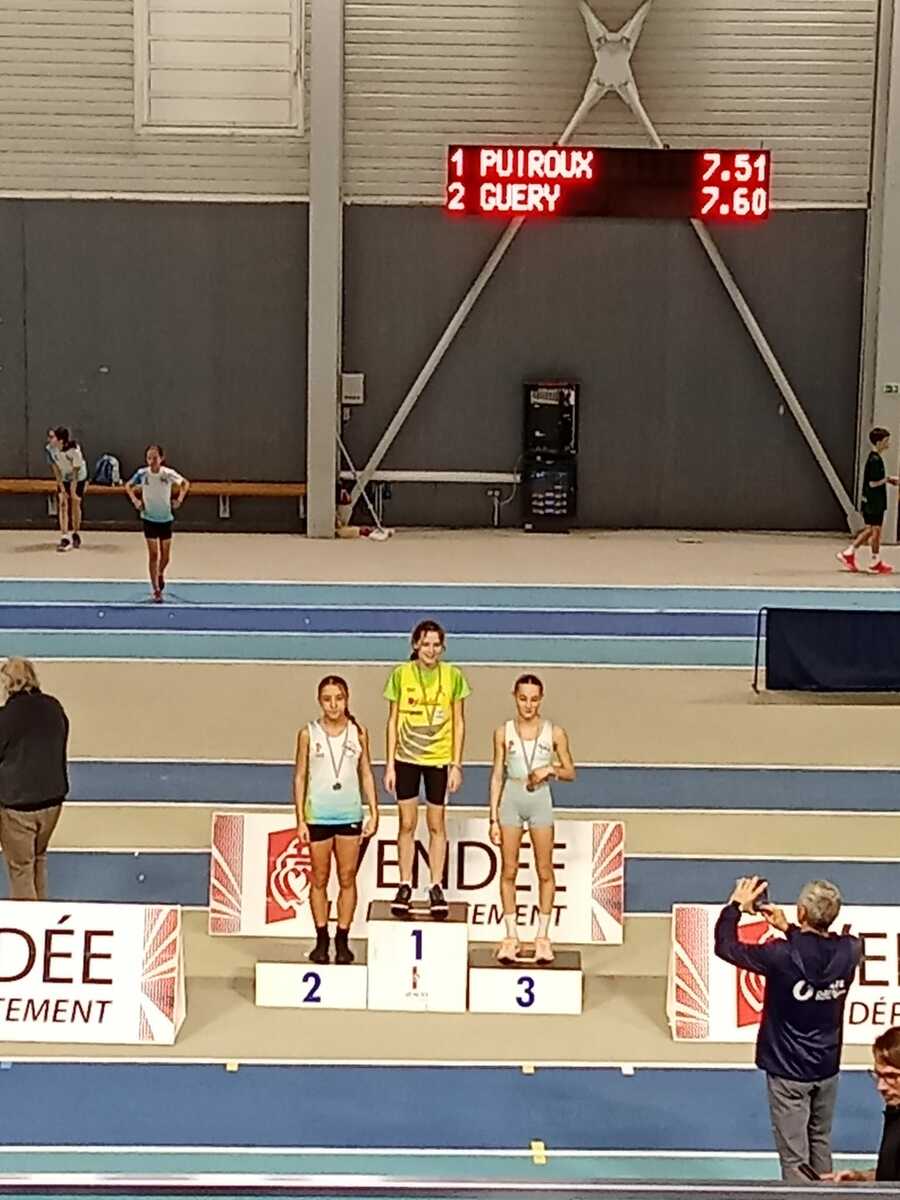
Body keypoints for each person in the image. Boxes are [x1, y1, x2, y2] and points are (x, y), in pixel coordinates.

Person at [714, 877, 862, 1182]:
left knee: (795, 1159)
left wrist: (734, 907)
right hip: (827, 1068)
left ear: (801, 912)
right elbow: (819, 953)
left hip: (788, 1070)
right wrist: (790, 929)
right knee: (820, 1142)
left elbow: (725, 947)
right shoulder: (851, 949)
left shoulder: (780, 955)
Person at [384, 620, 470, 918]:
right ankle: (404, 884)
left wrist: (456, 764)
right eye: (425, 644)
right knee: (407, 824)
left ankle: (435, 886)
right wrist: (390, 764)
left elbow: (459, 723)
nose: (431, 650)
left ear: (442, 647)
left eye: (436, 645)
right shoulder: (401, 674)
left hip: (438, 761)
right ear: (415, 646)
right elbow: (392, 721)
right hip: (406, 759)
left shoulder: (453, 676)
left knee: (436, 824)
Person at [488, 674, 575, 964]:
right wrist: (493, 818)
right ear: (515, 697)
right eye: (523, 698)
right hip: (512, 799)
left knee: (544, 869)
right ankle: (511, 936)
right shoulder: (503, 732)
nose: (528, 705)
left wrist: (550, 770)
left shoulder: (554, 733)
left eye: (534, 699)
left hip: (540, 800)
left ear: (541, 699)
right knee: (508, 869)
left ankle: (542, 937)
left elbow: (570, 771)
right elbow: (497, 775)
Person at [293, 676, 378, 964]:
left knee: (347, 877)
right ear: (320, 701)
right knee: (319, 877)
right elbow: (300, 777)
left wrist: (374, 810)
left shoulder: (358, 733)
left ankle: (342, 939)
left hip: (349, 815)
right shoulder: (308, 734)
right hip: (318, 815)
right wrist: (301, 819)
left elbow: (366, 773)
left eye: (339, 698)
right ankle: (321, 938)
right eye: (327, 699)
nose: (333, 705)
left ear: (347, 699)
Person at [0, 658, 69, 900]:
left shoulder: (6, 718)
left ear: (9, 684)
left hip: (18, 807)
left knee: (21, 869)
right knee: (38, 858)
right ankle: (42, 914)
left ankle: (27, 920)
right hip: (52, 802)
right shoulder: (54, 707)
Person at [825, 1026, 900, 1182]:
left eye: (891, 1076)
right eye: (878, 1075)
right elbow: (892, 1175)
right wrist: (861, 1178)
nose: (881, 1087)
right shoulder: (895, 1110)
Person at [124, 444, 191, 603]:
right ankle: (156, 589)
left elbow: (185, 483)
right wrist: (135, 500)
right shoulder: (142, 474)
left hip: (165, 518)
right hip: (149, 518)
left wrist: (179, 499)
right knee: (154, 554)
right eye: (149, 458)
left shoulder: (168, 474)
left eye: (155, 458)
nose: (152, 461)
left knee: (165, 556)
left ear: (161, 458)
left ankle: (160, 573)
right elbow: (128, 485)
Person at [838, 427, 898, 574]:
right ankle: (869, 559)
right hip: (874, 501)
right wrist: (888, 479)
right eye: (886, 441)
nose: (888, 444)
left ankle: (855, 554)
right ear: (879, 442)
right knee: (875, 530)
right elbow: (872, 483)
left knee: (872, 530)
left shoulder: (875, 458)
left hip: (874, 500)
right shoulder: (875, 460)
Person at [46, 426, 88, 552]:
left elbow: (76, 471)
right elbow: (56, 470)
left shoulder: (74, 451)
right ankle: (64, 536)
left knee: (75, 503)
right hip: (64, 477)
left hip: (78, 477)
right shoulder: (50, 450)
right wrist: (62, 488)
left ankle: (75, 533)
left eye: (53, 437)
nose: (49, 440)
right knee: (63, 503)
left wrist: (73, 491)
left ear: (61, 440)